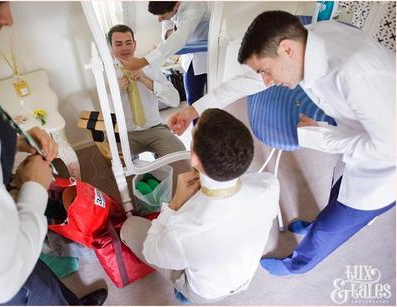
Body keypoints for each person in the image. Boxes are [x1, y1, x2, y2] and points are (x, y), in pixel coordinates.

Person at [168, 11, 396, 276]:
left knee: (334, 225)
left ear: (286, 49)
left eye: (266, 70)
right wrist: (193, 111)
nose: (267, 81)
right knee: (340, 188)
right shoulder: (309, 40)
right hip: (365, 130)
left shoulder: (356, 72)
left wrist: (324, 137)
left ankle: (295, 265)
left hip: (387, 167)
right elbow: (247, 81)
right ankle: (314, 223)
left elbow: (389, 149)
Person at [0, 2, 107, 305]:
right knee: (28, 291)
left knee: (42, 280)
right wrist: (33, 186)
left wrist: (12, 139)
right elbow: (0, 281)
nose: (8, 18)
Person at [120, 109, 280, 303]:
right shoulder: (269, 185)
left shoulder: (183, 226)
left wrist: (175, 203)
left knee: (129, 228)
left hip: (204, 293)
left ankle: (184, 291)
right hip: (245, 276)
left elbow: (152, 252)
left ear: (194, 159)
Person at [119, 2, 210, 118]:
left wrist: (143, 61)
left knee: (207, 99)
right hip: (189, 58)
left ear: (176, 6)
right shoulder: (168, 5)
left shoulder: (195, 5)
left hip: (205, 55)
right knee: (192, 101)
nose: (159, 20)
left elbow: (181, 36)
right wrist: (170, 33)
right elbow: (168, 32)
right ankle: (197, 132)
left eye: (162, 16)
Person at [108, 24, 185, 158]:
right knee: (120, 166)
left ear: (135, 44)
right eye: (119, 44)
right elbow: (102, 110)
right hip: (125, 134)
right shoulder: (106, 74)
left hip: (155, 129)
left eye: (128, 43)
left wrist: (146, 81)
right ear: (111, 47)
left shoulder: (150, 68)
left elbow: (175, 100)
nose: (125, 48)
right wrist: (115, 91)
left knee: (179, 157)